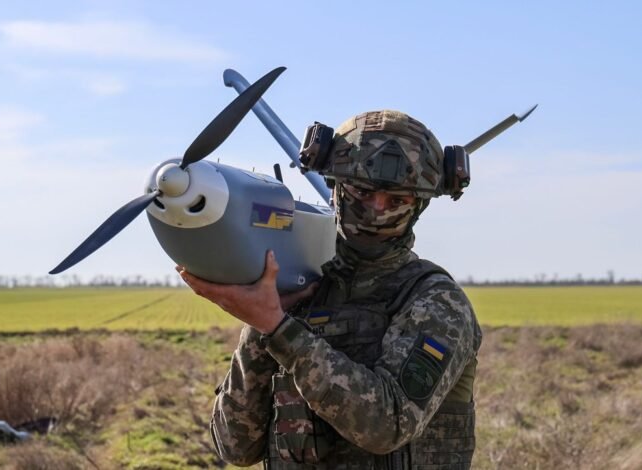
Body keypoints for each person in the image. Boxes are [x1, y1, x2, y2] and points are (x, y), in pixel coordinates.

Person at [180, 110, 482, 469]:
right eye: (362, 191)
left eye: (396, 200)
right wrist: (259, 328)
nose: (376, 210)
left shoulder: (437, 302)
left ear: (418, 205)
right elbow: (236, 446)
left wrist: (278, 328)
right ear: (336, 186)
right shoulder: (299, 289)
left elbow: (389, 424)